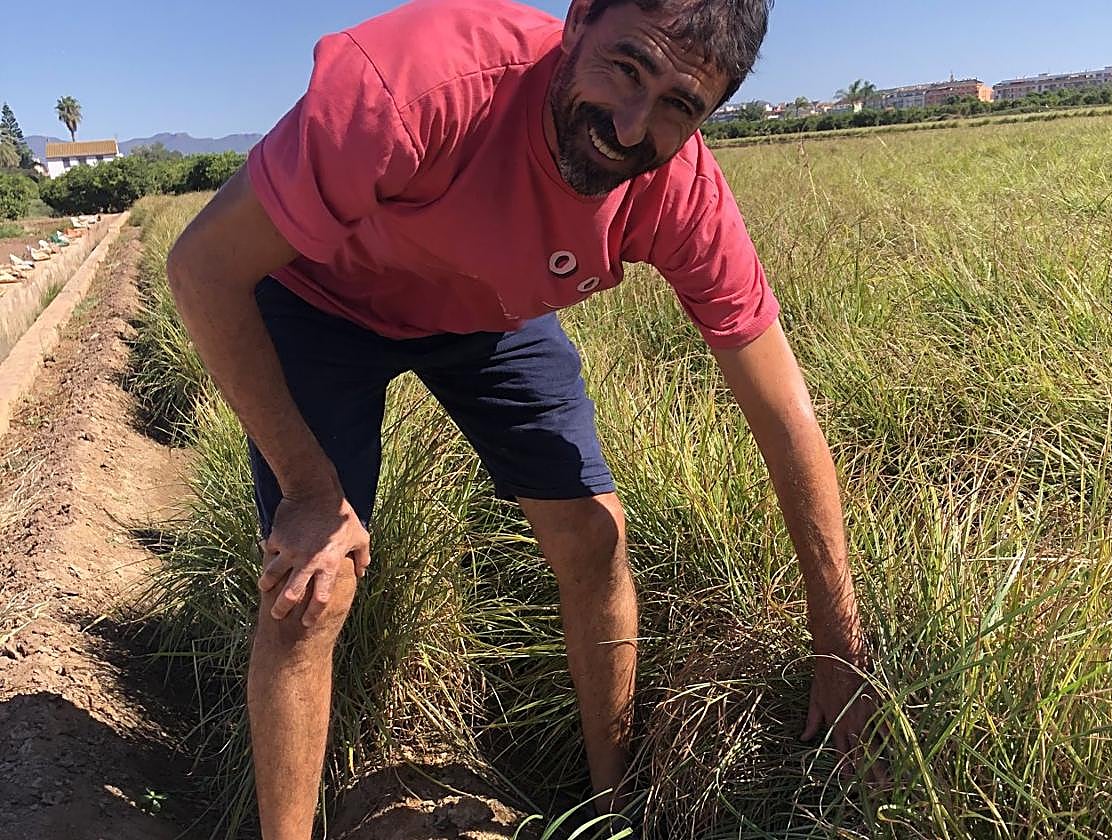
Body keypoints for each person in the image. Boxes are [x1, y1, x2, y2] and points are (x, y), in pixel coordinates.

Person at [166, 0, 877, 837]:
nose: (629, 126)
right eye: (627, 68)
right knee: (314, 583)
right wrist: (309, 488)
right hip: (322, 302)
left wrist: (838, 646)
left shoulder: (680, 191)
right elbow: (202, 267)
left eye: (679, 105)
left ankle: (613, 810)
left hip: (490, 315)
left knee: (594, 536)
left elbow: (785, 417)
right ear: (578, 21)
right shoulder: (413, 87)